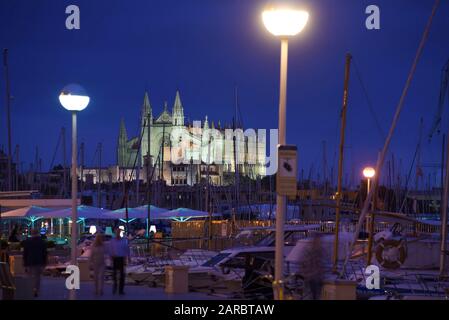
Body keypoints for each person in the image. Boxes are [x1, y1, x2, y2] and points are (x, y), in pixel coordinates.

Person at [298, 233, 325, 300]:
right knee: (313, 294)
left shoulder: (317, 250)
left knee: (313, 295)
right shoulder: (313, 250)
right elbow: (306, 263)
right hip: (312, 277)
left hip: (313, 277)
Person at [22, 229, 48, 297]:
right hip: (39, 261)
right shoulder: (42, 242)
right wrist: (45, 263)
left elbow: (25, 253)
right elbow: (44, 253)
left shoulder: (27, 242)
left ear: (32, 233)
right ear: (38, 233)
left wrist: (25, 263)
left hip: (30, 261)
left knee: (30, 276)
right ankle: (36, 290)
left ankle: (30, 289)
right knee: (37, 277)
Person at [109, 228, 130, 295]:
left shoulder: (124, 241)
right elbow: (110, 250)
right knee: (114, 275)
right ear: (115, 233)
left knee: (122, 276)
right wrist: (111, 259)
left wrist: (128, 258)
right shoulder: (112, 241)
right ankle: (115, 286)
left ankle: (121, 290)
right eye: (117, 232)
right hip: (115, 259)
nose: (118, 233)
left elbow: (127, 249)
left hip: (121, 259)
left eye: (119, 232)